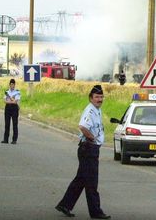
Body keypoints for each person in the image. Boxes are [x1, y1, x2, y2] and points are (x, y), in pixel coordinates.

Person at [56, 85, 110, 219]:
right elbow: (82, 126)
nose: (99, 99)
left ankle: (65, 205)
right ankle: (96, 212)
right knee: (91, 182)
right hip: (88, 148)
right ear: (91, 98)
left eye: (101, 97)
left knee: (81, 179)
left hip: (90, 148)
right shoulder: (90, 111)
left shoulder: (98, 110)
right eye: (97, 97)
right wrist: (92, 138)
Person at [2, 79, 20, 144]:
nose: (12, 86)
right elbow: (4, 101)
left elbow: (16, 102)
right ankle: (5, 139)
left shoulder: (17, 92)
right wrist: (11, 101)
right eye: (11, 84)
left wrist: (9, 100)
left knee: (15, 124)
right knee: (7, 124)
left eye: (13, 84)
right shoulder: (7, 92)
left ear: (14, 85)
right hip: (7, 108)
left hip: (14, 109)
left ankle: (14, 140)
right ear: (9, 85)